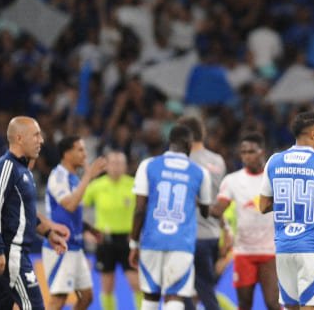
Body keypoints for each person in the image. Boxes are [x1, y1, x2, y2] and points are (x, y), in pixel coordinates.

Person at [258, 111, 314, 310]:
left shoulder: (274, 161)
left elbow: (263, 206)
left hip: (284, 248)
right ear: (312, 134)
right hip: (313, 248)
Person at [0, 116, 70, 310]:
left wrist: (49, 233)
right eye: (36, 135)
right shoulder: (6, 167)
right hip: (10, 252)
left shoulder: (24, 170)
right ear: (19, 138)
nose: (41, 140)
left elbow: (27, 214)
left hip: (12, 252)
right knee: (34, 306)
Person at [129, 124, 214, 310]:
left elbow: (139, 209)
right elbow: (206, 211)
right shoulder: (200, 172)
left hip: (152, 240)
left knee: (150, 294)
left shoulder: (148, 165)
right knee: (174, 295)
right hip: (181, 242)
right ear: (189, 144)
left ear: (170, 142)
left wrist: (134, 243)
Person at [211, 131, 279, 310]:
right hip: (243, 252)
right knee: (244, 304)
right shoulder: (232, 180)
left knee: (273, 303)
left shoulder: (275, 179)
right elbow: (218, 210)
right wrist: (225, 229)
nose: (247, 156)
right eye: (243, 152)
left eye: (251, 152)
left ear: (262, 152)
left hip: (270, 251)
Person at [45, 136, 109, 310]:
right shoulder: (58, 176)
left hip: (75, 246)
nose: (85, 154)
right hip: (60, 247)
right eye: (80, 150)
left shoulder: (74, 179)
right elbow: (70, 205)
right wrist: (89, 176)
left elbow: (69, 214)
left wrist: (88, 228)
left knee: (87, 297)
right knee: (58, 300)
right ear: (67, 154)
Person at [181, 115, 228, 310]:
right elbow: (221, 200)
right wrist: (226, 229)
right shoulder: (218, 160)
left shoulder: (183, 162)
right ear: (203, 133)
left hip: (187, 235)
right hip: (212, 235)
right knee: (206, 289)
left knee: (182, 289)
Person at [83, 150, 140, 310]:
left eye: (120, 163)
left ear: (126, 166)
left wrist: (139, 234)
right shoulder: (96, 186)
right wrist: (87, 231)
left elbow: (143, 211)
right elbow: (79, 209)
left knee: (136, 283)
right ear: (106, 166)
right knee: (107, 285)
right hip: (105, 239)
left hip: (128, 239)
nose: (116, 167)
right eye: (113, 163)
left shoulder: (134, 185)